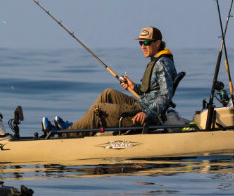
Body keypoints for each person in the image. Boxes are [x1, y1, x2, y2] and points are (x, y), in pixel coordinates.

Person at [43, 27, 177, 135]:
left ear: (158, 43)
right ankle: (77, 127)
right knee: (107, 93)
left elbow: (165, 95)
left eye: (147, 42)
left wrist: (146, 113)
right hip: (143, 104)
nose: (143, 46)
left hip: (147, 113)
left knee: (99, 110)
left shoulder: (162, 64)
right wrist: (134, 87)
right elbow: (152, 91)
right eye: (140, 43)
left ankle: (65, 134)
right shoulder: (158, 60)